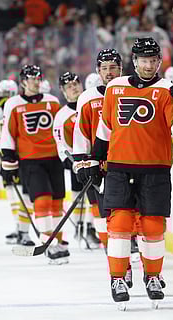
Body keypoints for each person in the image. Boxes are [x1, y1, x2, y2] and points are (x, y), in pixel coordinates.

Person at [83, 37, 173, 305]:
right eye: (143, 60)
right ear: (134, 62)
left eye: (153, 60)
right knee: (120, 224)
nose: (148, 65)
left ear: (159, 61)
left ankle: (153, 276)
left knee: (152, 226)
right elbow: (105, 130)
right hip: (119, 167)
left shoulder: (168, 89)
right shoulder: (115, 87)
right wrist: (93, 160)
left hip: (155, 168)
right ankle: (117, 278)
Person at [0, 65, 67, 264]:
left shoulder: (52, 102)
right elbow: (8, 134)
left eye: (38, 78)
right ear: (23, 82)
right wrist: (8, 160)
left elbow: (61, 130)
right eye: (32, 79)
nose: (36, 82)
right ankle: (48, 243)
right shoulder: (13, 104)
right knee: (42, 201)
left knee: (57, 203)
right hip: (30, 161)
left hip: (54, 159)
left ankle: (58, 242)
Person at [72, 49, 123, 249]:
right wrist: (82, 162)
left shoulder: (129, 91)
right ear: (97, 71)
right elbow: (81, 133)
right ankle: (111, 248)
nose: (108, 72)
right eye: (104, 68)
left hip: (128, 160)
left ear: (121, 69)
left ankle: (130, 244)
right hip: (100, 163)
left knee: (129, 209)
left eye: (113, 67)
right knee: (104, 209)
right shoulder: (87, 98)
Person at [53, 71, 102, 248]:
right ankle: (82, 228)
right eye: (68, 86)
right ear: (63, 91)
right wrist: (70, 161)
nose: (73, 88)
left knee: (97, 196)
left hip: (97, 158)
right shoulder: (61, 114)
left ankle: (91, 227)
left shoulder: (90, 104)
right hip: (77, 160)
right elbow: (59, 141)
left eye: (75, 84)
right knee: (78, 194)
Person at [0, 79, 35, 246]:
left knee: (19, 196)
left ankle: (21, 228)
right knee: (17, 195)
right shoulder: (6, 110)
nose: (1, 99)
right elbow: (1, 138)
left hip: (14, 158)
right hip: (15, 156)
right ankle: (20, 228)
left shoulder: (7, 110)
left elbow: (5, 137)